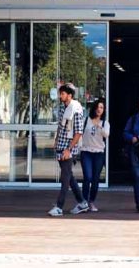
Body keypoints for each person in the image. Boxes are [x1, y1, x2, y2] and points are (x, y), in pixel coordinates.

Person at [48, 83, 87, 217]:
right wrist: (56, 141)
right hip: (61, 146)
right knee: (69, 177)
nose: (60, 96)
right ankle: (82, 202)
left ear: (69, 95)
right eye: (60, 93)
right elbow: (60, 127)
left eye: (63, 94)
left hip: (68, 149)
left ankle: (59, 207)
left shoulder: (76, 110)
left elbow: (78, 132)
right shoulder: (62, 109)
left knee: (65, 178)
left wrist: (68, 149)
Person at [80, 98, 109, 211]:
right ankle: (84, 201)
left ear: (104, 110)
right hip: (86, 151)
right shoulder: (86, 120)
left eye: (101, 107)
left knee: (95, 179)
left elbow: (106, 134)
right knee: (87, 177)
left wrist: (100, 127)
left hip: (98, 153)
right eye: (97, 107)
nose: (99, 109)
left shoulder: (105, 123)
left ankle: (91, 201)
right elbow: (79, 133)